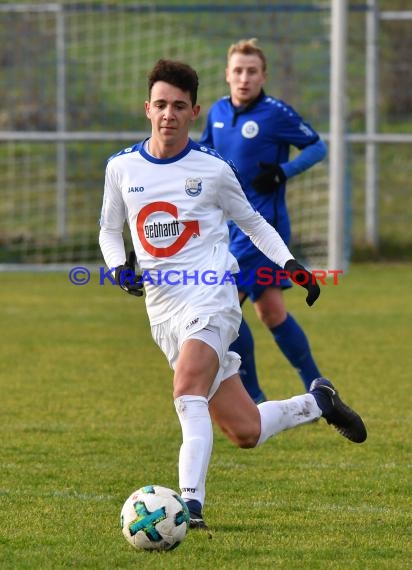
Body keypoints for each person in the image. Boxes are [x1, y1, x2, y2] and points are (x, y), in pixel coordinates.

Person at [99, 59, 367, 531]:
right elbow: (108, 229)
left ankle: (189, 507)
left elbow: (254, 223)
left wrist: (291, 265)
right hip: (163, 311)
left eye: (179, 106)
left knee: (186, 390)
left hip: (214, 300)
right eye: (160, 104)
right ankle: (318, 403)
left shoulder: (213, 169)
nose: (168, 114)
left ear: (194, 112)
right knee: (246, 431)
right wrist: (118, 265)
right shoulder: (121, 167)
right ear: (147, 108)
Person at [200, 38, 328, 403]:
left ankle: (253, 397)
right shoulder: (218, 112)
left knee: (224, 305)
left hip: (262, 231)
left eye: (251, 71)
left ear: (263, 75)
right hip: (228, 229)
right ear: (227, 75)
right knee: (271, 312)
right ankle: (319, 385)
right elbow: (207, 154)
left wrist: (282, 172)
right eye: (238, 71)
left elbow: (318, 146)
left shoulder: (276, 113)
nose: (244, 78)